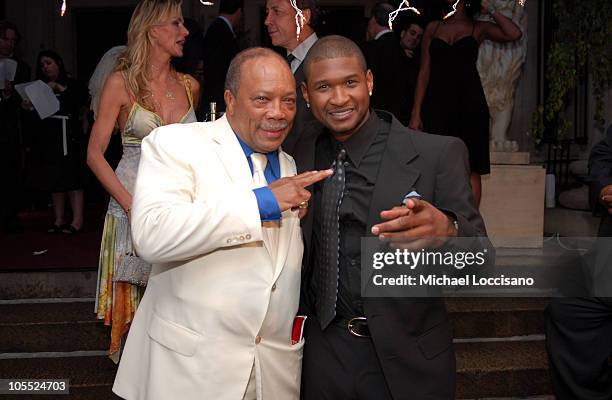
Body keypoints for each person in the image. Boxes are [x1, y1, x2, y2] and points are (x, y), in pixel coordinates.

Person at [112, 47, 331, 400]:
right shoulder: (176, 144)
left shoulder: (290, 164)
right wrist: (262, 203)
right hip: (189, 372)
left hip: (271, 374)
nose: (278, 113)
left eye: (288, 101)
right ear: (229, 99)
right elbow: (151, 235)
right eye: (262, 99)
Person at [295, 35, 489, 400]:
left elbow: (480, 263)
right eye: (324, 87)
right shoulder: (301, 150)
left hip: (406, 362)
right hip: (321, 356)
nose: (339, 99)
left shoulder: (436, 154)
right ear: (306, 95)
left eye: (350, 83)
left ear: (369, 82)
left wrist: (451, 230)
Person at [87, 0, 200, 363]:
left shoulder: (190, 86)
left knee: (177, 305)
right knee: (136, 311)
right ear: (152, 29)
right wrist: (130, 203)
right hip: (130, 210)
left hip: (180, 212)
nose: (185, 32)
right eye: (176, 24)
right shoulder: (120, 84)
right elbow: (94, 154)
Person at [409, 0, 522, 207]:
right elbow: (424, 73)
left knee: (471, 167)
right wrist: (416, 113)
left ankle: (471, 229)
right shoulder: (433, 28)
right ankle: (437, 224)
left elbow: (514, 33)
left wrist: (491, 9)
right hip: (436, 104)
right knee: (433, 164)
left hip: (469, 105)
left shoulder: (477, 27)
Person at [25, 50, 89, 234]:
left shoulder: (71, 83)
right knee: (54, 177)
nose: (45, 67)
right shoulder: (38, 87)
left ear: (58, 63)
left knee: (72, 177)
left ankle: (77, 219)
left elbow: (79, 101)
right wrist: (28, 106)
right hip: (48, 136)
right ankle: (59, 219)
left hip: (68, 134)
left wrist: (60, 88)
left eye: (49, 63)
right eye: (42, 64)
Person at [265, 0, 318, 155]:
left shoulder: (326, 61)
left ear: (303, 17)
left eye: (277, 11)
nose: (267, 20)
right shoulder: (277, 64)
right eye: (267, 12)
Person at [0, 20, 30, 233]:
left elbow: (23, 101)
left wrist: (12, 95)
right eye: (5, 39)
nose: (9, 44)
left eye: (12, 41)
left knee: (11, 172)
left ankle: (10, 215)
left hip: (11, 130)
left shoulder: (22, 67)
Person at [362, 2, 414, 125]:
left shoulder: (372, 49)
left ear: (374, 19)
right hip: (396, 117)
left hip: (375, 115)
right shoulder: (400, 49)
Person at [201, 0, 242, 117]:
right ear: (239, 11)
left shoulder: (218, 28)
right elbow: (219, 68)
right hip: (218, 97)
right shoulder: (220, 30)